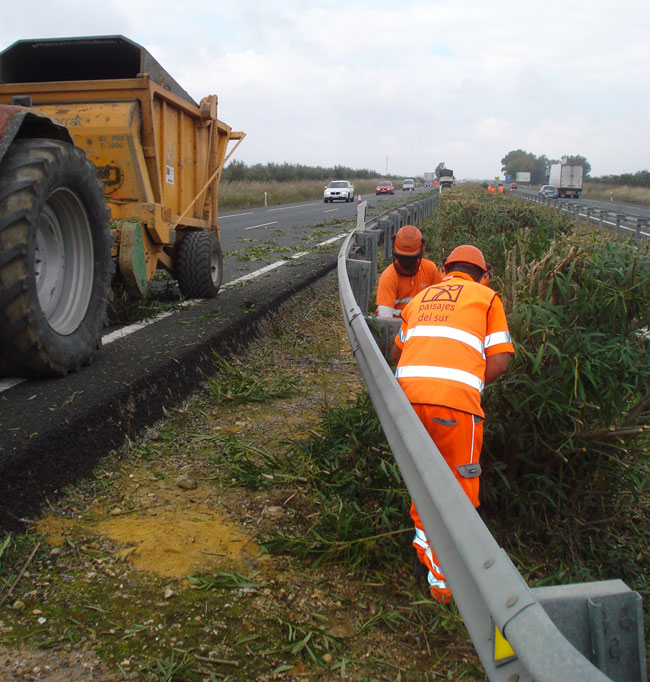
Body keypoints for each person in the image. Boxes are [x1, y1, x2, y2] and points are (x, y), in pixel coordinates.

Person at [390, 244, 514, 602]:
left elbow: (397, 352)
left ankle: (424, 559)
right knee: (459, 490)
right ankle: (445, 584)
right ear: (484, 275)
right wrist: (467, 382)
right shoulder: (487, 298)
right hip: (456, 408)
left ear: (445, 270)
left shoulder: (423, 296)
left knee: (422, 482)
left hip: (406, 402)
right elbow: (501, 361)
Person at [376, 225, 441, 319]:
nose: (406, 262)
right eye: (403, 258)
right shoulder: (388, 277)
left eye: (411, 259)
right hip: (396, 329)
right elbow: (385, 320)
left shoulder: (430, 270)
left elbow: (437, 306)